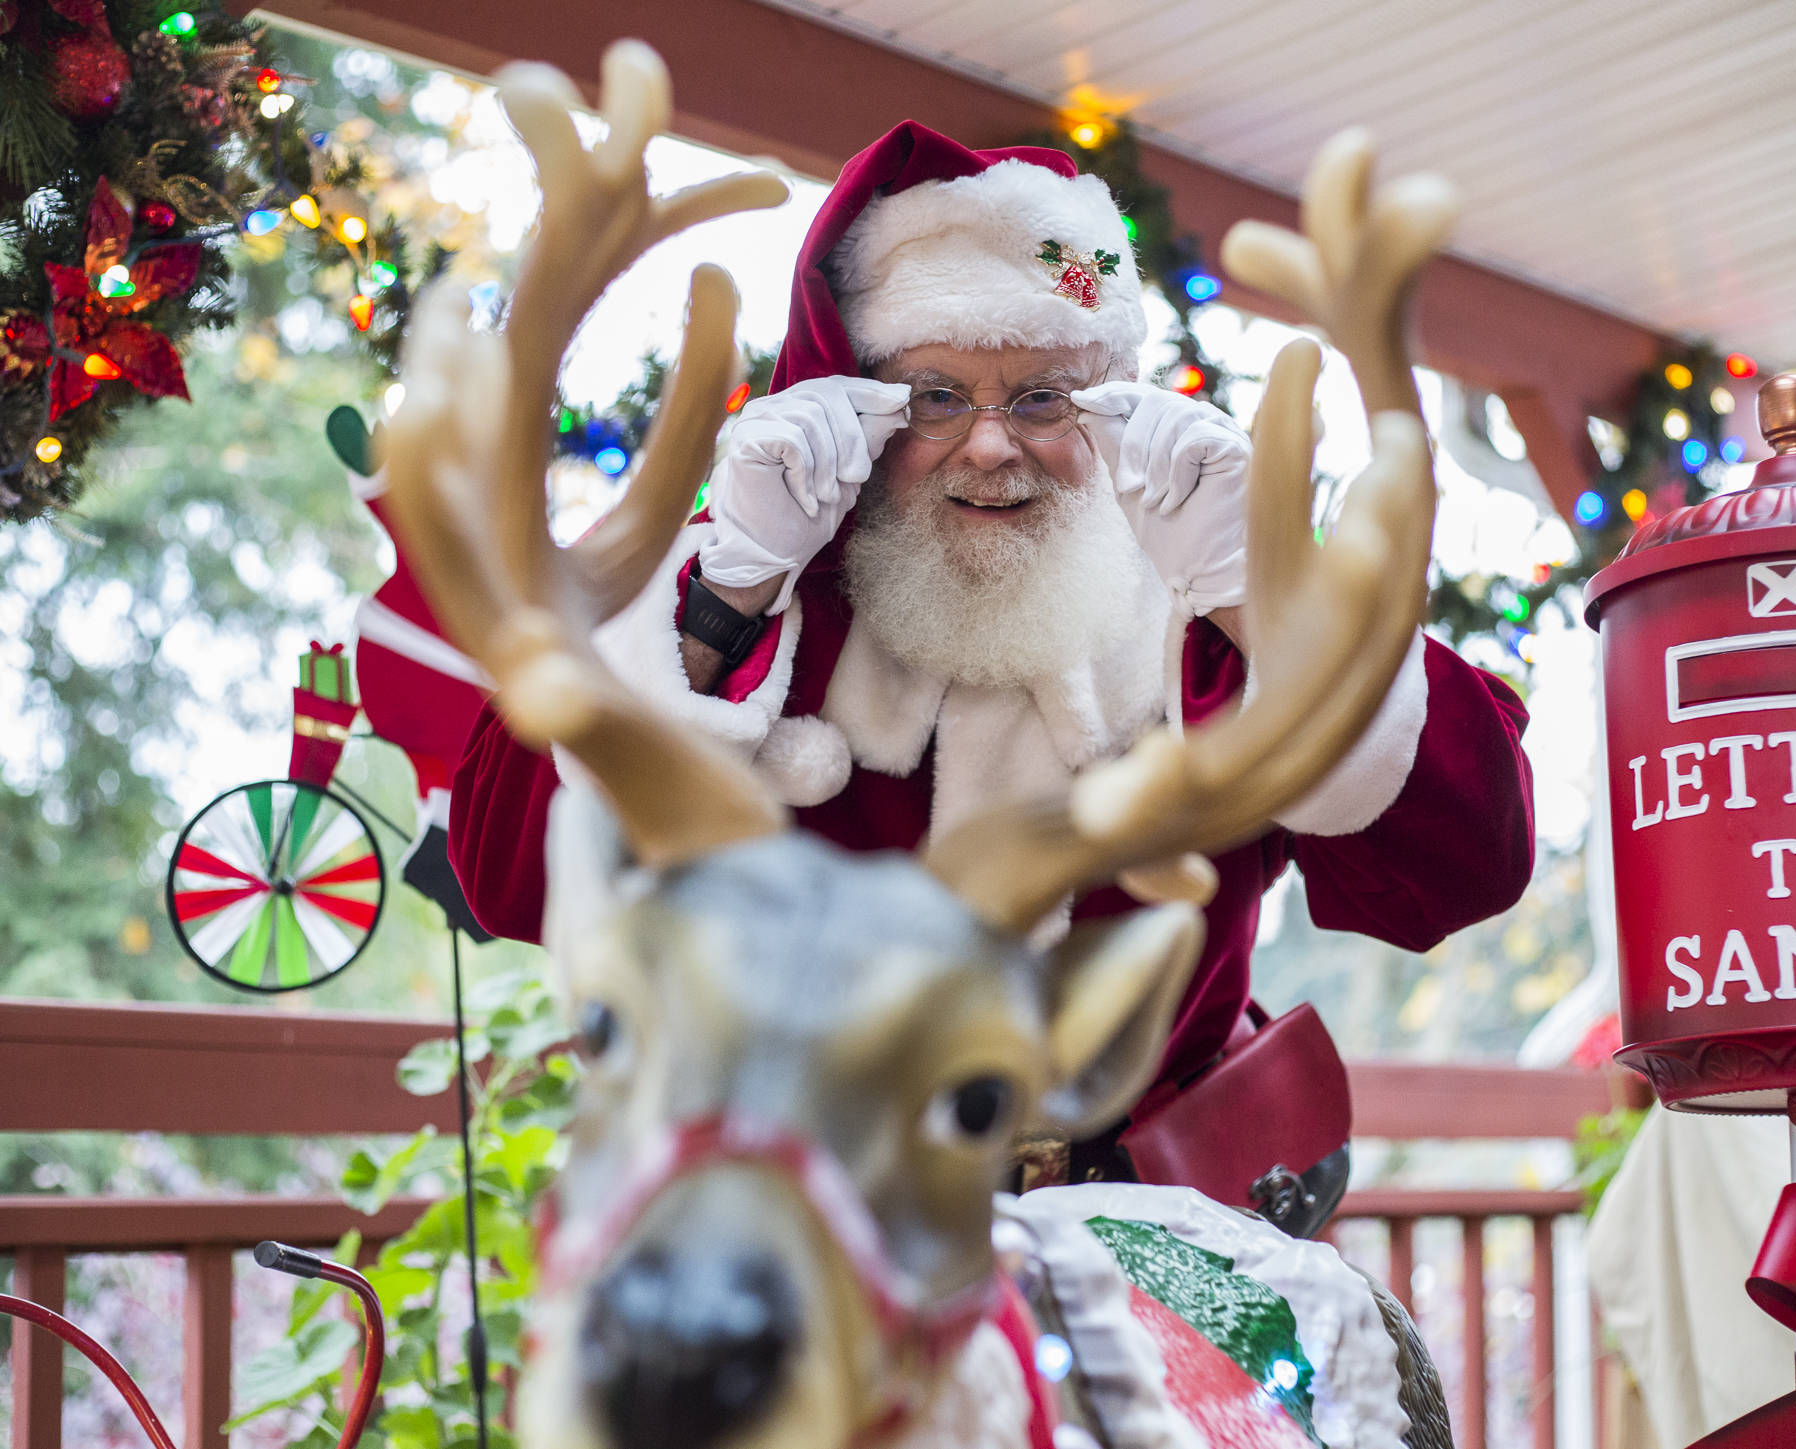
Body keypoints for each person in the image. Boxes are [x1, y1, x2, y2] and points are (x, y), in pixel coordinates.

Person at [448, 120, 1535, 1184]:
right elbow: (509, 879)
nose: (989, 443)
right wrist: (730, 590)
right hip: (827, 1246)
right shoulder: (739, 583)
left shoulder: (1198, 608)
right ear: (854, 399)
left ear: (1111, 407)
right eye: (934, 395)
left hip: (1164, 1253)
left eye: (1041, 398)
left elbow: (1465, 865)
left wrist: (1261, 594)